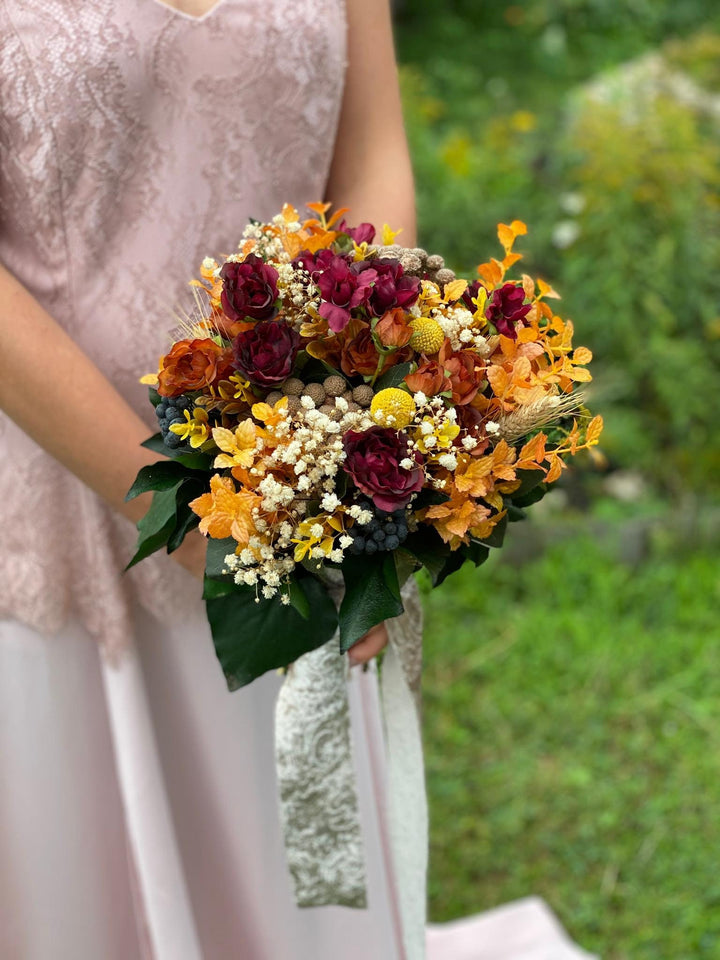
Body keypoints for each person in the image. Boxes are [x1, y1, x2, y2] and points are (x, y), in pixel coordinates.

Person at [0, 1, 595, 957]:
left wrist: (361, 426)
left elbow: (369, 158)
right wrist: (195, 521)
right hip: (63, 497)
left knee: (295, 886)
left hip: (302, 480)